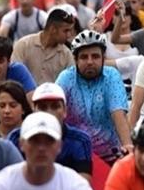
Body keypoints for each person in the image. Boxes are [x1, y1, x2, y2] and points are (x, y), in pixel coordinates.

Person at [56, 30, 132, 161]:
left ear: (103, 58)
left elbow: (118, 114)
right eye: (84, 57)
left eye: (95, 56)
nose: (90, 62)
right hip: (75, 154)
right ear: (75, 60)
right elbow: (53, 110)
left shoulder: (112, 75)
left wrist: (127, 145)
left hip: (110, 153)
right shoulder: (66, 77)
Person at [6, 83, 93, 178]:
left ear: (65, 111)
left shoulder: (80, 140)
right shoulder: (16, 137)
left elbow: (82, 183)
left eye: (55, 106)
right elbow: (11, 178)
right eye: (43, 107)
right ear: (33, 110)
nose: (49, 112)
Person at [11, 5, 77, 85]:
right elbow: (14, 76)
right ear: (53, 29)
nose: (69, 35)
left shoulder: (66, 54)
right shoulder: (23, 45)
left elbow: (71, 83)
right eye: (66, 31)